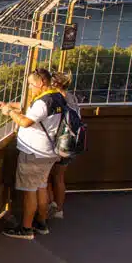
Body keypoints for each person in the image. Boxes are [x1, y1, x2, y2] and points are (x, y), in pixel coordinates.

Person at [0, 69, 64, 239]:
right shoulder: (57, 96)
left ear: (41, 82)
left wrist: (9, 112)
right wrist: (11, 105)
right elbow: (33, 110)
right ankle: (41, 222)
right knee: (41, 187)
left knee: (29, 191)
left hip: (34, 152)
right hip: (49, 152)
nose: (30, 88)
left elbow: (26, 121)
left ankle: (26, 228)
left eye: (31, 85)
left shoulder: (43, 102)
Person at [47, 70, 78, 220]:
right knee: (59, 177)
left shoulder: (56, 99)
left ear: (55, 84)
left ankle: (48, 207)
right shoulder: (72, 98)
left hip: (56, 142)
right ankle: (59, 209)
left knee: (45, 178)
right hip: (69, 143)